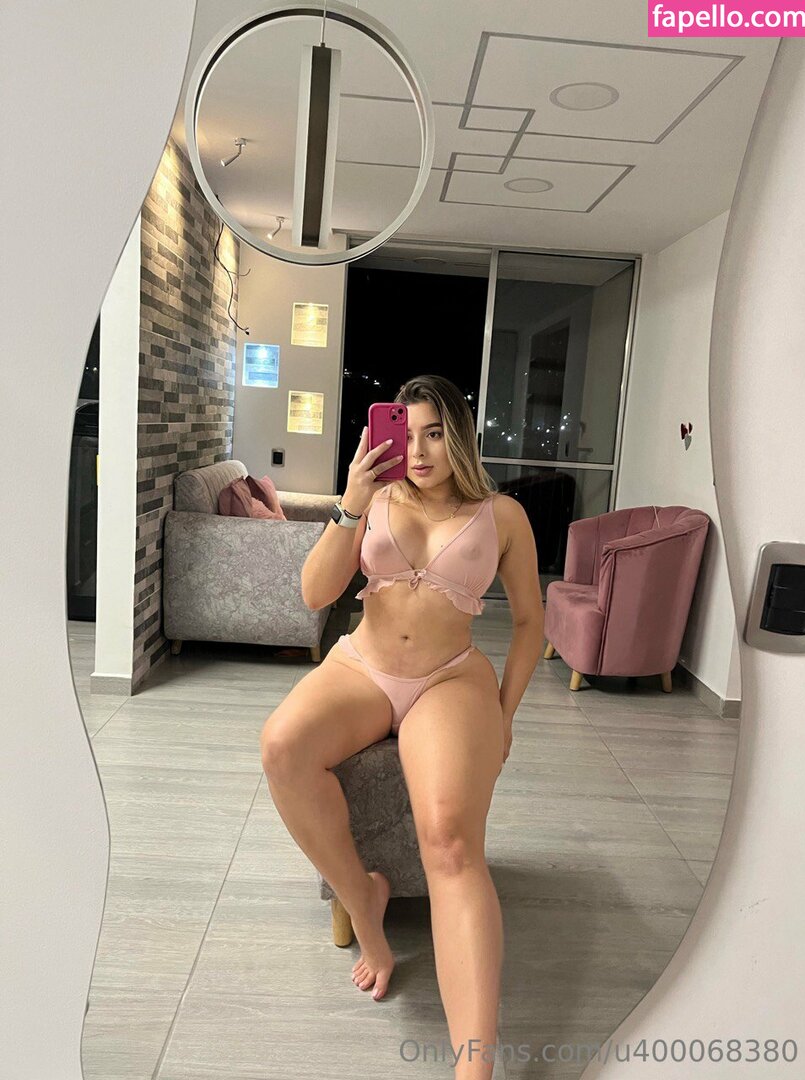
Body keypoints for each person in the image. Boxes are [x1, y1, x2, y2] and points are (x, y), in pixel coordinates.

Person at [260, 374, 544, 1079]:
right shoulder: (377, 497)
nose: (417, 450)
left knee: (451, 841)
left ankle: (474, 1067)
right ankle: (365, 905)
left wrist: (504, 714)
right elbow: (315, 594)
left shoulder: (502, 515)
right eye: (406, 433)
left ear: (460, 436)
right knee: (282, 748)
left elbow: (530, 625)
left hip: (450, 679)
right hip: (363, 665)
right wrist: (349, 506)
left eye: (434, 433)